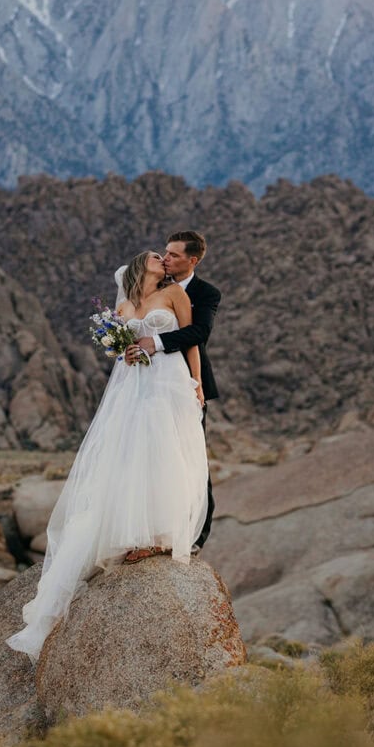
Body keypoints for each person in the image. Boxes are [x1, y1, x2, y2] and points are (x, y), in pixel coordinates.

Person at [6, 250, 208, 661]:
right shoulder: (124, 306)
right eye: (155, 255)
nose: (162, 258)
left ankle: (160, 532)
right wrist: (126, 350)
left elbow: (192, 340)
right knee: (134, 453)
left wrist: (197, 383)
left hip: (169, 381)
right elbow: (121, 350)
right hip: (136, 386)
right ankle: (131, 534)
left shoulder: (175, 296)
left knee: (167, 450)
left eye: (165, 254)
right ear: (141, 266)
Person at [130, 230, 221, 550]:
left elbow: (199, 332)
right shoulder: (154, 289)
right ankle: (151, 525)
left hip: (184, 384)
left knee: (191, 455)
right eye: (164, 253)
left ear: (192, 260)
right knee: (150, 453)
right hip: (147, 383)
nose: (165, 258)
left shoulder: (206, 292)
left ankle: (196, 534)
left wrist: (155, 344)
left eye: (173, 255)